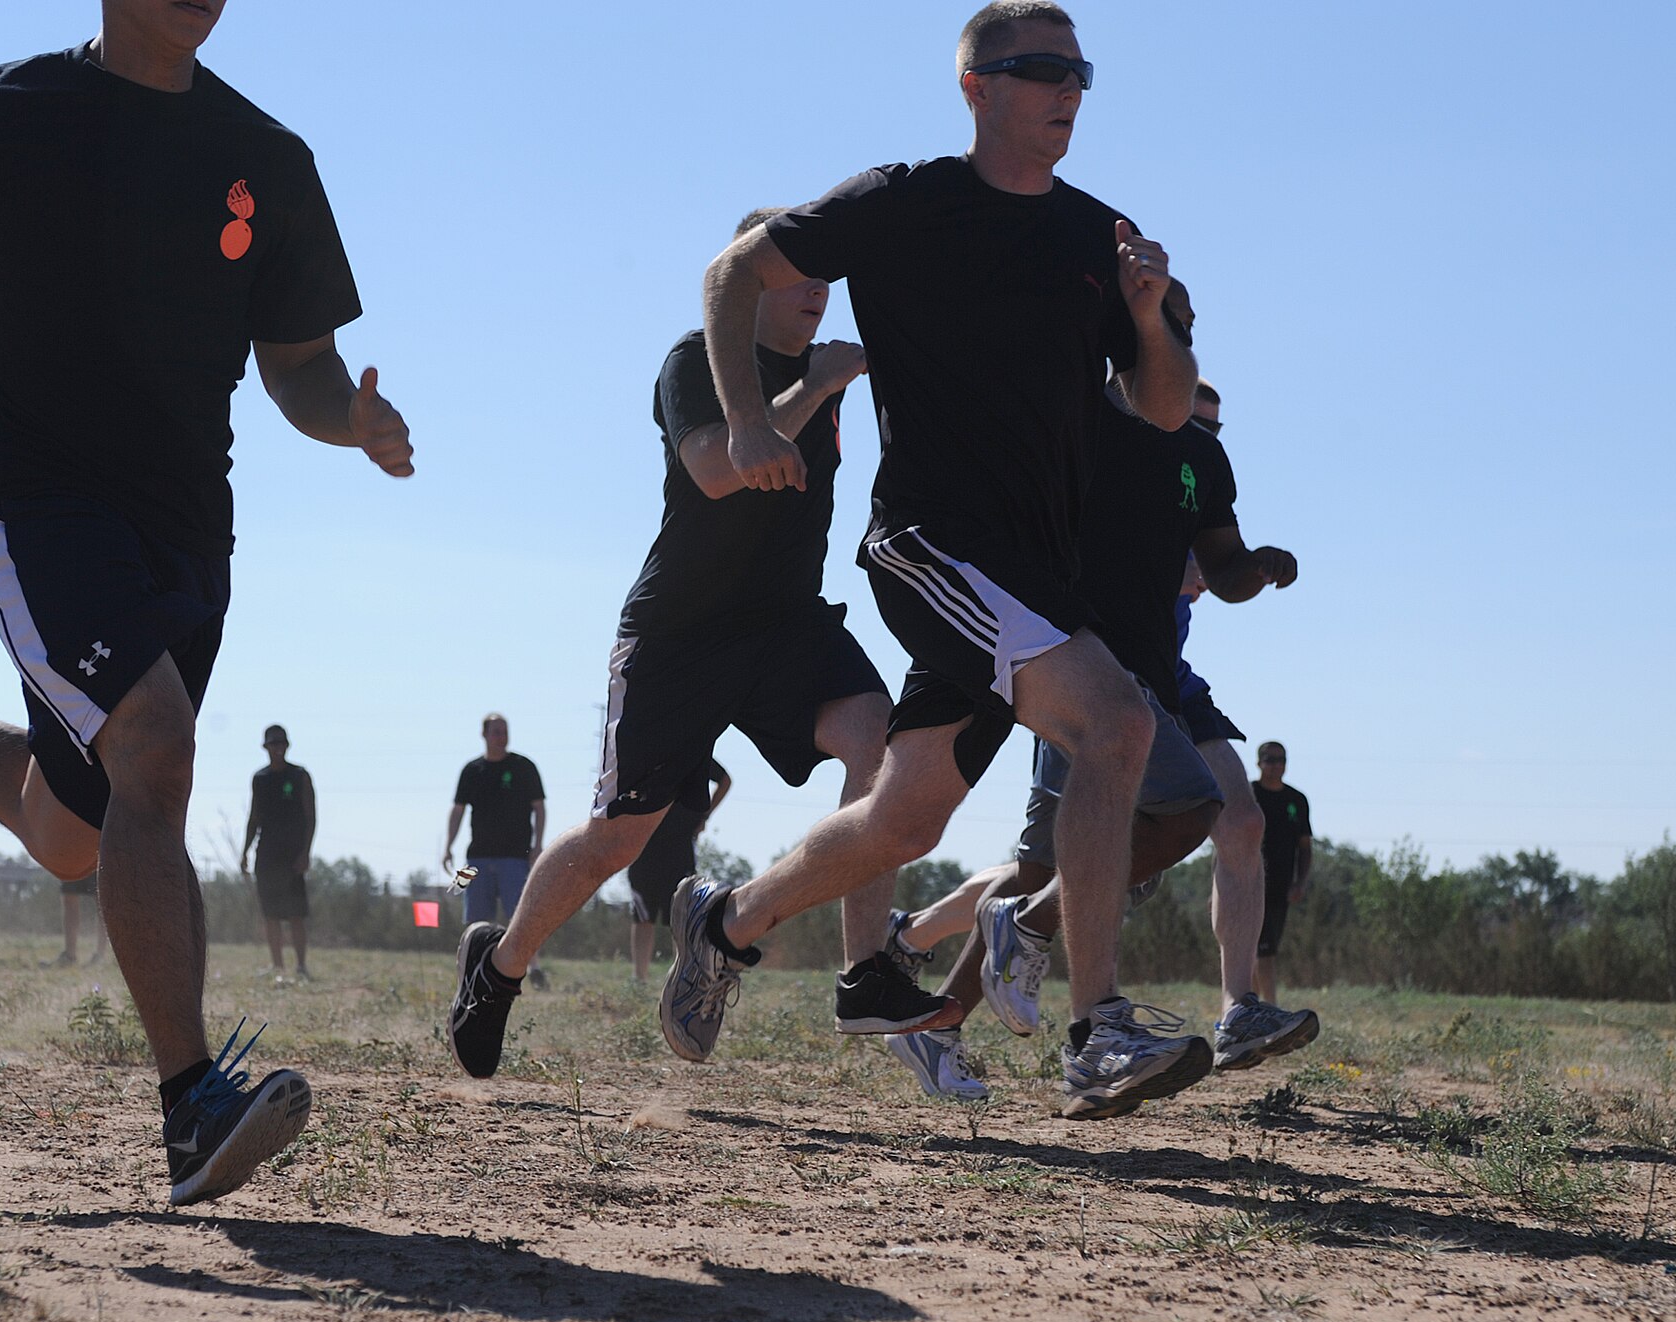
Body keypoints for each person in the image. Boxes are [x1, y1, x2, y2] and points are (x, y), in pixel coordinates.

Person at [0, 0, 411, 1206]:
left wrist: (352, 422)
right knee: (153, 746)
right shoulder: (5, 117)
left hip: (186, 530)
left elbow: (301, 368)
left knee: (75, 827)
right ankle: (190, 1107)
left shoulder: (268, 160)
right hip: (34, 496)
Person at [659, 2, 1203, 1118]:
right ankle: (1096, 1030)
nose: (1068, 91)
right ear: (974, 86)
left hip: (1036, 572)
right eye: (1042, 70)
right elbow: (729, 274)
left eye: (1079, 72)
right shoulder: (901, 202)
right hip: (931, 544)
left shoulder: (1097, 238)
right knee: (1116, 724)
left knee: (904, 823)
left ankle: (725, 924)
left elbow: (1156, 412)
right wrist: (749, 416)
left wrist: (1149, 319)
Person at [449, 206, 946, 1080]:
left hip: (786, 625)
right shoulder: (694, 361)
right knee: (617, 839)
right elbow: (717, 469)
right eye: (797, 273)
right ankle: (498, 967)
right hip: (679, 635)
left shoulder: (828, 372)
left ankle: (865, 969)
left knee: (884, 743)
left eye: (825, 277)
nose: (818, 292)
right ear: (747, 278)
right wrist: (818, 387)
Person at [883, 347, 1319, 1098]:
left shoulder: (1197, 472)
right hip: (1091, 674)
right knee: (1049, 869)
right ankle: (937, 987)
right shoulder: (1106, 445)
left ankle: (1236, 1008)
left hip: (1168, 682)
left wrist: (1252, 567)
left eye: (1217, 423)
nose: (1204, 430)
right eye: (1196, 415)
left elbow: (1216, 568)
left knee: (1233, 822)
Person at [443, 714, 550, 991]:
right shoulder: (472, 771)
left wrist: (537, 845)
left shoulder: (523, 767)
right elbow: (457, 810)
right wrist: (447, 846)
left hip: (516, 857)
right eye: (496, 732)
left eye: (505, 731)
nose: (501, 736)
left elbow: (539, 807)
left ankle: (534, 969)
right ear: (484, 734)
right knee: (477, 919)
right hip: (476, 858)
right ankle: (477, 970)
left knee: (522, 916)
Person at [627, 760, 730, 983]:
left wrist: (705, 815)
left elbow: (725, 780)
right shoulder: (644, 749)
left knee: (680, 915)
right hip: (643, 843)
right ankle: (639, 979)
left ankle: (682, 979)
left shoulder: (695, 749)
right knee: (643, 915)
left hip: (680, 845)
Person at [240, 724, 315, 980]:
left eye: (281, 744)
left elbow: (310, 816)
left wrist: (305, 852)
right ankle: (277, 967)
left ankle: (301, 966)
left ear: (287, 746)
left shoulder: (300, 776)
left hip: (293, 855)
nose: (277, 749)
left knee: (296, 913)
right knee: (270, 913)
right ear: (266, 748)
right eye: (273, 745)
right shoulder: (259, 779)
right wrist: (245, 851)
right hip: (267, 853)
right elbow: (254, 817)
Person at [1252, 741, 1313, 1002]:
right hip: (1247, 884)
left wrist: (1300, 882)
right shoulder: (1247, 794)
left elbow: (1305, 846)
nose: (1276, 765)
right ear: (1259, 762)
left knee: (1264, 951)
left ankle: (1251, 1008)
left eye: (1281, 759)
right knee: (1258, 953)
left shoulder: (1296, 800)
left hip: (1280, 887)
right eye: (1270, 759)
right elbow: (1225, 844)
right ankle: (1269, 1010)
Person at [50, 871, 109, 967]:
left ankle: (100, 955)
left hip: (95, 858)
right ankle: (69, 956)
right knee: (69, 895)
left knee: (101, 898)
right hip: (71, 860)